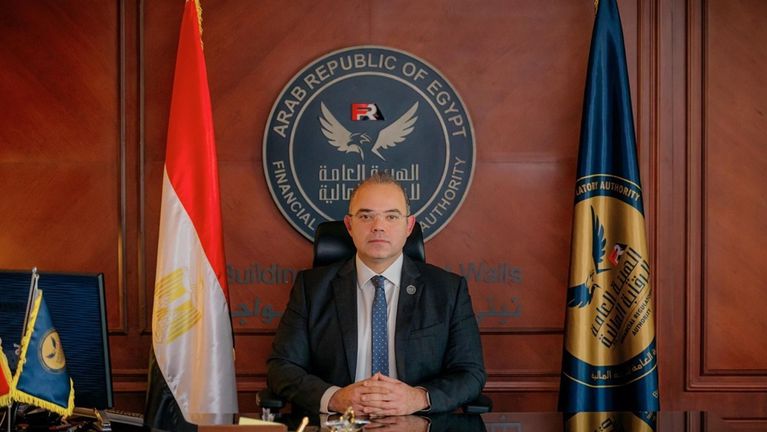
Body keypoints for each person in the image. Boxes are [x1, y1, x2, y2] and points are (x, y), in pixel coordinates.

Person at [267, 172, 486, 416]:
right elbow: (281, 368)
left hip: (416, 421)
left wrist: (418, 398)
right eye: (366, 216)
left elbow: (470, 373)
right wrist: (334, 398)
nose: (378, 226)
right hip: (339, 423)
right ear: (349, 226)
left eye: (391, 216)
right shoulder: (311, 289)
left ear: (409, 226)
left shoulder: (448, 290)